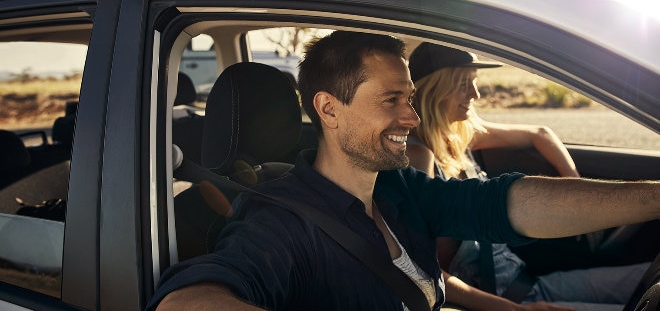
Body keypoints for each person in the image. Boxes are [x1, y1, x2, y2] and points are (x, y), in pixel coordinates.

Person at [150, 31, 659, 311]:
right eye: (391, 100)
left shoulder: (396, 187)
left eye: (410, 99)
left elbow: (505, 204)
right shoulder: (279, 221)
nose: (411, 118)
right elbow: (187, 303)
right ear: (328, 109)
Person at [406, 42, 651, 311]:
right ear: (434, 89)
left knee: (648, 276)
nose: (475, 94)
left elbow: (540, 134)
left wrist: (575, 190)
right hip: (508, 301)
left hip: (528, 283)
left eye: (474, 82)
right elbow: (427, 274)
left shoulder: (459, 134)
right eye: (463, 84)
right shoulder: (420, 160)